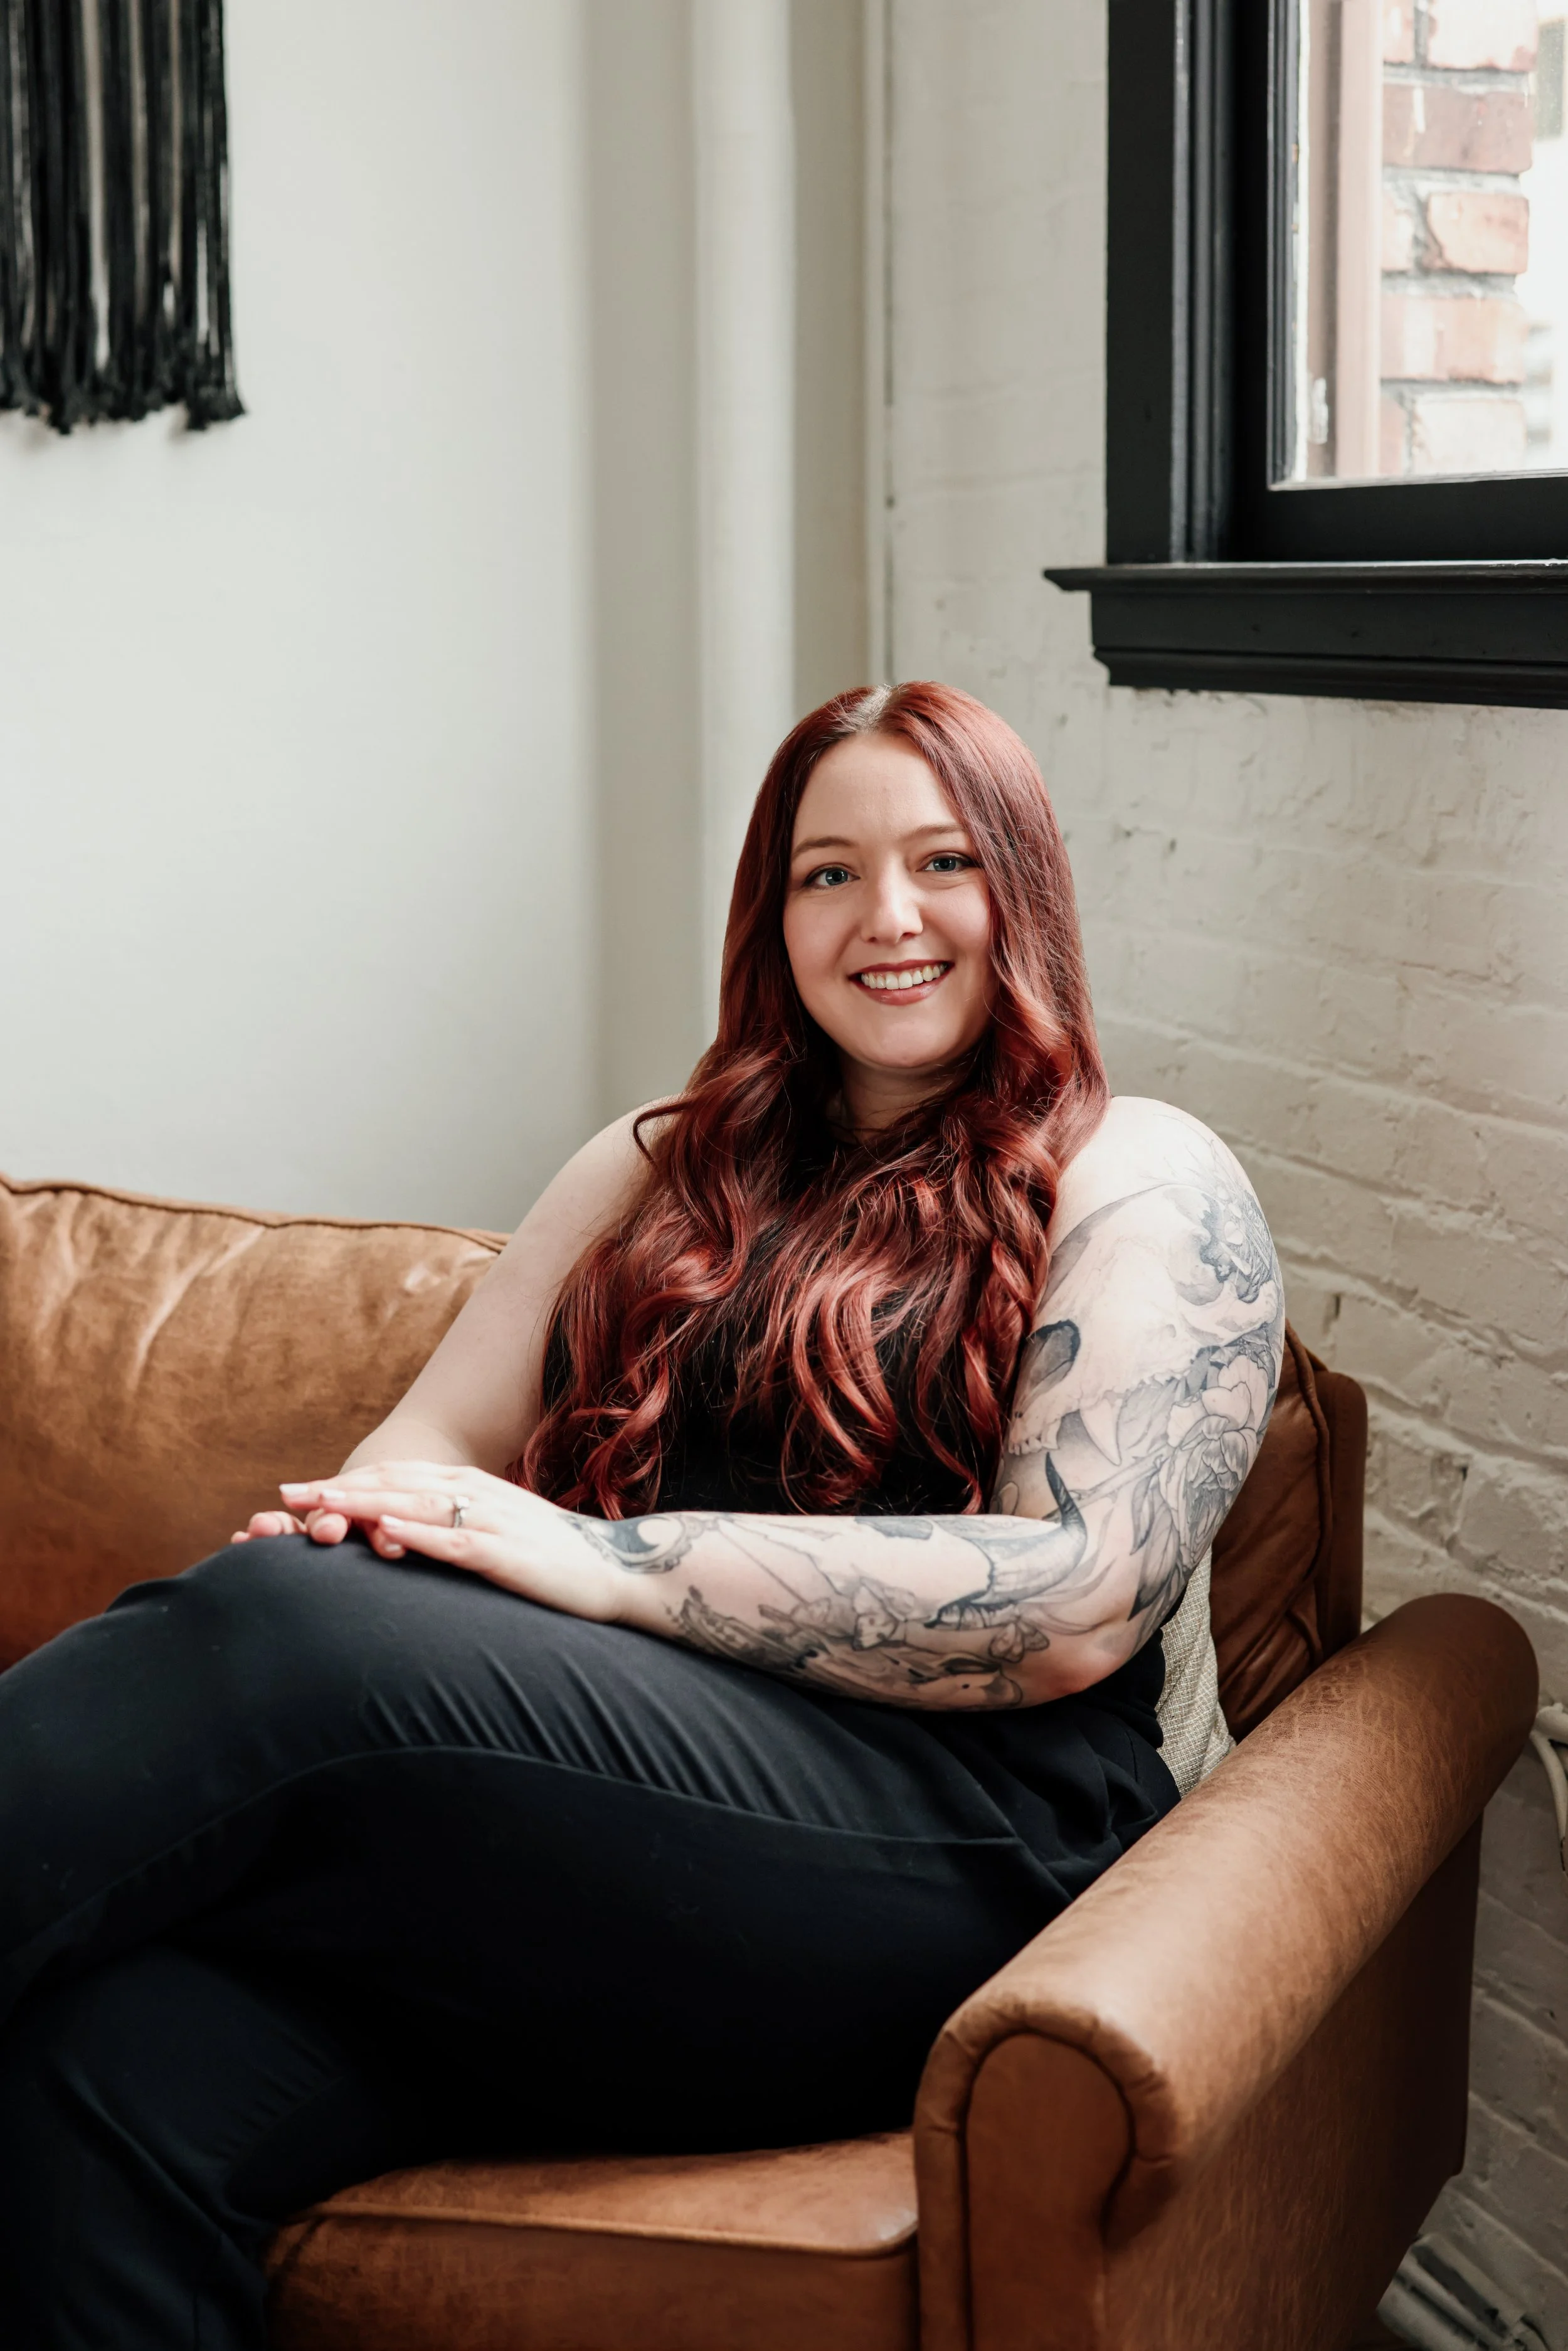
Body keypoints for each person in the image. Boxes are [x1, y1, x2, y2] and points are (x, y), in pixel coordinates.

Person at [0, 683, 1283, 2348]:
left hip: (952, 1856)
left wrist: (602, 1563)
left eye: (941, 861)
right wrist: (365, 1558)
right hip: (619, 1869)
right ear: (774, 914)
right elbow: (412, 1464)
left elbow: (1076, 1599)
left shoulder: (1139, 1172)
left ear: (1022, 890)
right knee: (97, 2067)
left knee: (287, 1633)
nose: (884, 917)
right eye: (827, 873)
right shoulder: (651, 1165)